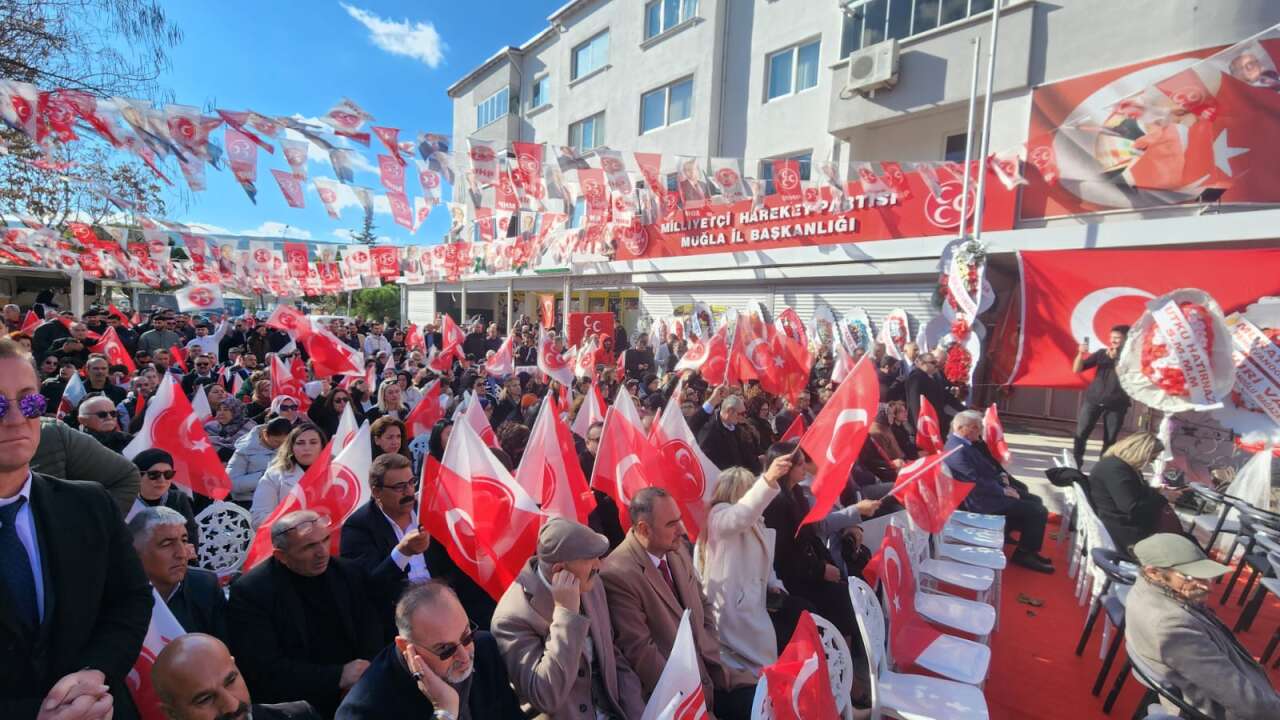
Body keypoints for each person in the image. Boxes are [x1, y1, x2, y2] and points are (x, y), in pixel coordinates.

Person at [0, 336, 153, 719]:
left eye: (29, 401)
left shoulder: (89, 504)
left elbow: (130, 601)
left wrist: (94, 672)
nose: (16, 418)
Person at [601, 487, 757, 720]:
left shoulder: (675, 549)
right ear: (644, 529)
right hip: (680, 698)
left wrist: (707, 644)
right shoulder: (618, 573)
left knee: (767, 700)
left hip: (716, 676)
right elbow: (641, 652)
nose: (682, 530)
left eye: (679, 520)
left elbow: (703, 605)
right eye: (671, 524)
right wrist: (693, 701)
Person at [227, 510, 388, 718]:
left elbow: (372, 630)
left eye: (325, 540)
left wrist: (362, 677)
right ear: (281, 556)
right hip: (294, 703)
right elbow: (262, 667)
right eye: (309, 546)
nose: (322, 552)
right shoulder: (252, 592)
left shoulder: (349, 573)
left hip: (359, 691)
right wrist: (337, 677)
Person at [491, 517, 647, 719]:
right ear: (559, 570)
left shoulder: (592, 583)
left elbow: (613, 656)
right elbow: (545, 696)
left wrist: (639, 713)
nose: (599, 565)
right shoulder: (511, 619)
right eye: (590, 558)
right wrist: (565, 615)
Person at [1124, 534, 1280, 718]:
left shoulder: (1144, 590)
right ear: (1153, 572)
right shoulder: (1172, 625)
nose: (1207, 586)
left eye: (1206, 576)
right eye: (1190, 577)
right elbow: (1247, 702)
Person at [336, 580, 525, 720]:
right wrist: (444, 712)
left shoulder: (484, 648)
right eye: (445, 649)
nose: (464, 657)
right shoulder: (364, 710)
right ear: (405, 647)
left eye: (466, 636)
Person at [762, 441, 868, 648]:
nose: (805, 468)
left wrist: (827, 564)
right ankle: (840, 663)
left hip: (809, 567)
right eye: (800, 464)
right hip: (793, 576)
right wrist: (820, 570)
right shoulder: (776, 504)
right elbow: (784, 555)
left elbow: (810, 535)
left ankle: (850, 653)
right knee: (838, 599)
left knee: (847, 589)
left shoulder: (797, 494)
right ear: (787, 469)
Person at [696, 462, 786, 676]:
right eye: (750, 488)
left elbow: (764, 561)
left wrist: (774, 584)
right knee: (753, 666)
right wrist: (767, 481)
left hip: (751, 605)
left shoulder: (752, 521)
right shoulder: (719, 516)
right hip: (733, 610)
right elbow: (740, 516)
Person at [944, 410, 1054, 573]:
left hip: (988, 492)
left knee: (1035, 500)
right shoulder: (957, 450)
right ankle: (1024, 554)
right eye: (977, 427)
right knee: (1037, 510)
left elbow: (986, 467)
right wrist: (1003, 491)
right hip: (981, 501)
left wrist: (1002, 478)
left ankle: (1025, 545)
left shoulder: (962, 444)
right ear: (964, 429)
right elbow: (974, 482)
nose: (980, 431)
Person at [340, 453, 433, 638]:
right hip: (399, 617)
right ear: (376, 492)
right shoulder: (358, 526)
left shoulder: (427, 509)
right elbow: (368, 586)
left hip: (440, 600)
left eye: (411, 482)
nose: (408, 491)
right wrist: (403, 553)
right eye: (399, 487)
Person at [152, 633, 322, 720]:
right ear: (172, 714)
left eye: (231, 681)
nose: (232, 706)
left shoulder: (299, 715)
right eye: (204, 699)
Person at [127, 506, 227, 640]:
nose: (181, 553)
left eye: (184, 540)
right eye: (166, 544)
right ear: (136, 551)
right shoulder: (115, 593)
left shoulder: (205, 586)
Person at [1087, 432, 1189, 554]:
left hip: (1121, 525)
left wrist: (1157, 491)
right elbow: (1132, 507)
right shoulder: (1117, 470)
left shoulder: (1116, 465)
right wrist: (1164, 497)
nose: (1150, 463)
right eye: (1151, 458)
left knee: (1186, 540)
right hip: (1126, 534)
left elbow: (1130, 492)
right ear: (1141, 454)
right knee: (1186, 547)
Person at [33, 413, 141, 514]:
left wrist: (90, 527)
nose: (109, 417)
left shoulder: (53, 435)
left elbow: (126, 476)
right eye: (102, 414)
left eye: (113, 413)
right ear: (82, 420)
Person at [1072, 325, 1131, 468]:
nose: (1113, 341)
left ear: (1126, 338)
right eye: (1111, 337)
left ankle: (1102, 468)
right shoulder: (1101, 353)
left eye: (1117, 338)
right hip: (1093, 400)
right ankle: (1076, 464)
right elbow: (1077, 369)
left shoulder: (1132, 356)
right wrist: (1080, 354)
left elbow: (1123, 376)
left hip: (1117, 403)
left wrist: (1116, 358)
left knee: (1110, 439)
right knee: (1081, 434)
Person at [250, 423, 326, 527]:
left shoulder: (337, 472)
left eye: (313, 442)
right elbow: (258, 518)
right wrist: (296, 523)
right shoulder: (274, 475)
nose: (307, 448)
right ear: (291, 447)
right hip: (290, 539)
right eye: (300, 443)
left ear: (322, 446)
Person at [129, 448, 200, 549]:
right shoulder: (125, 500)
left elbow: (191, 535)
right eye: (154, 474)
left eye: (168, 474)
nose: (162, 480)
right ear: (138, 475)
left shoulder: (178, 498)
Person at [226, 416, 292, 509]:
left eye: (284, 442)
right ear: (265, 434)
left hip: (279, 501)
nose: (280, 446)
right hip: (248, 501)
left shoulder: (289, 449)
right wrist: (264, 476)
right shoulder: (244, 451)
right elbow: (231, 483)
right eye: (276, 442)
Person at [696, 394, 763, 475]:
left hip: (741, 477)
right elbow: (706, 461)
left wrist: (757, 463)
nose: (744, 416)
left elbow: (746, 453)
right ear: (730, 411)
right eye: (741, 413)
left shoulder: (736, 427)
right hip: (724, 480)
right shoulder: (710, 431)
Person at [905, 351, 964, 436]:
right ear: (922, 363)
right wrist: (921, 427)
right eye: (933, 363)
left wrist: (964, 410)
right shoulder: (916, 378)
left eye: (936, 362)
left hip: (939, 420)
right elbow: (915, 405)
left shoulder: (935, 376)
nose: (936, 365)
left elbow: (946, 397)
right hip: (926, 424)